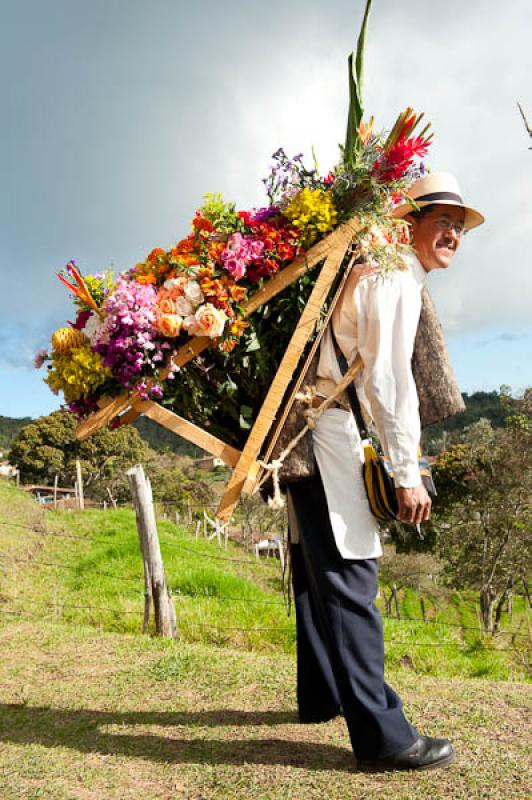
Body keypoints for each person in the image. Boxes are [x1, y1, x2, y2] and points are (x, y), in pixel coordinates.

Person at [286, 172, 484, 770]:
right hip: (331, 435)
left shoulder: (378, 269)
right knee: (352, 578)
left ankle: (321, 697)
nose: (452, 232)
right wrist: (407, 471)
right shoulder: (393, 274)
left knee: (320, 569)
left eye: (458, 224)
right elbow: (390, 381)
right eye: (441, 220)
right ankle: (385, 739)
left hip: (311, 429)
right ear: (408, 224)